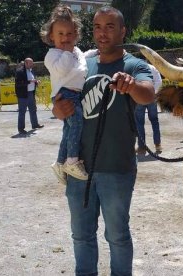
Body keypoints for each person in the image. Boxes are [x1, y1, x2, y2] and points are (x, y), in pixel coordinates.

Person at [52, 6, 154, 276]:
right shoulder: (83, 64)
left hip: (116, 168)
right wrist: (57, 110)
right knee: (81, 235)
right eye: (98, 27)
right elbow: (63, 98)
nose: (103, 33)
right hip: (79, 169)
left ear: (123, 31)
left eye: (110, 26)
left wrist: (131, 85)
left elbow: (147, 94)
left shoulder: (134, 65)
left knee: (117, 236)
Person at [41, 4, 95, 184]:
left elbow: (83, 59)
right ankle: (71, 160)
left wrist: (96, 52)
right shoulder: (53, 55)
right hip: (65, 95)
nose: (66, 38)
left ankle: (59, 162)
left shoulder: (76, 51)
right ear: (51, 36)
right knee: (77, 124)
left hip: (74, 94)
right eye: (61, 34)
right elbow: (62, 70)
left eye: (70, 34)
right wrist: (67, 51)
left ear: (76, 34)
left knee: (68, 130)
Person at [135, 64, 163, 155]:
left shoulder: (135, 67)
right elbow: (159, 81)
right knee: (154, 120)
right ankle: (158, 145)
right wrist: (152, 94)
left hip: (139, 97)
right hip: (152, 98)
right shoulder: (152, 68)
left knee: (139, 122)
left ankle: (142, 147)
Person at [15, 57, 43, 134]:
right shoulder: (19, 71)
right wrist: (30, 81)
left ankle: (35, 124)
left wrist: (36, 81)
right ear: (26, 63)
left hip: (31, 93)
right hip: (23, 95)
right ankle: (21, 129)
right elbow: (18, 83)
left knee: (33, 110)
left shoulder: (31, 71)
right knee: (22, 112)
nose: (32, 64)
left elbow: (33, 80)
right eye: (31, 63)